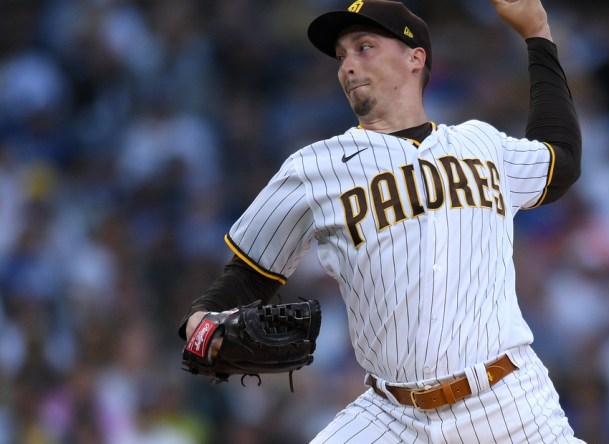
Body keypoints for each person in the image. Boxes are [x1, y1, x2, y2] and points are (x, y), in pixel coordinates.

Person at [179, 0, 583, 442]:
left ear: (415, 57)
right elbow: (251, 274)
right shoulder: (313, 169)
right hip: (392, 416)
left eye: (364, 47)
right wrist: (201, 319)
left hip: (509, 402)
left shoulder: (481, 143)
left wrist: (537, 33)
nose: (348, 66)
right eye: (341, 56)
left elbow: (561, 160)